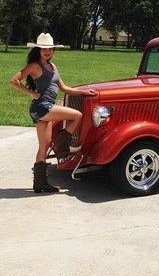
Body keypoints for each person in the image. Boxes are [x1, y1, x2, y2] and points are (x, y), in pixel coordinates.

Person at [10, 32, 95, 193]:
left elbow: (64, 88)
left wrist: (83, 92)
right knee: (77, 115)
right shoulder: (35, 66)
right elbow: (14, 80)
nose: (47, 52)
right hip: (42, 106)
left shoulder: (53, 66)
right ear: (38, 50)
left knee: (44, 145)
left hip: (44, 108)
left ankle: (40, 183)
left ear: (53, 50)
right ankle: (64, 147)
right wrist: (31, 93)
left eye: (50, 49)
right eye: (43, 49)